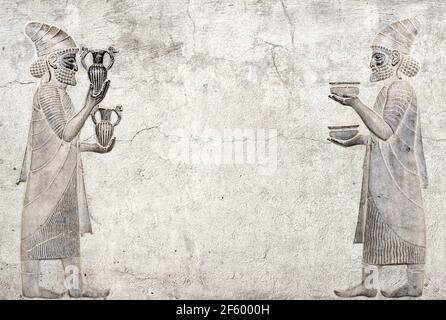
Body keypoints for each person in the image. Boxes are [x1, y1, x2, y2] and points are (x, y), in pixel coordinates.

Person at [328, 18, 428, 298]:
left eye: (377, 57)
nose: (372, 64)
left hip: (398, 177)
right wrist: (355, 139)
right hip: (386, 173)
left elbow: (384, 131)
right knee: (377, 227)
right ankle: (370, 286)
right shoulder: (390, 89)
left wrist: (355, 103)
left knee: (404, 228)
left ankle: (415, 285)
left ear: (395, 57)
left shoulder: (400, 89)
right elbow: (381, 135)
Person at [17, 22, 114, 298]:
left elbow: (67, 141)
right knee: (36, 233)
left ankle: (75, 287)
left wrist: (94, 147)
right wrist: (90, 105)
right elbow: (66, 131)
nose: (74, 68)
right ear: (51, 61)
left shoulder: (60, 94)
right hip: (47, 179)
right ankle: (31, 288)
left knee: (68, 233)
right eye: (69, 61)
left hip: (63, 176)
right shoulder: (47, 92)